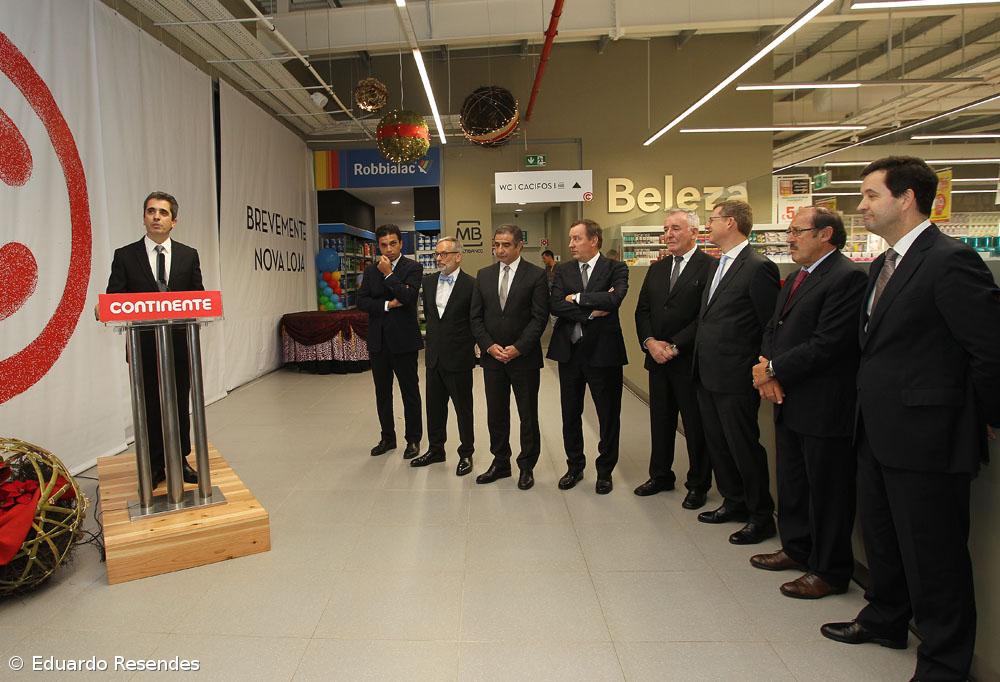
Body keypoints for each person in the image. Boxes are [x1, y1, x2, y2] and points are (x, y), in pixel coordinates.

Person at [820, 156, 1000, 682]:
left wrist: (989, 416)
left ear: (906, 199)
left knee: (934, 552)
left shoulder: (951, 260)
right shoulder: (882, 265)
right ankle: (886, 617)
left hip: (928, 437)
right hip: (876, 429)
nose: (861, 206)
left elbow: (987, 348)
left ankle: (944, 660)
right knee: (882, 536)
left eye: (871, 195)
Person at [750, 207, 867, 599]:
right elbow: (773, 326)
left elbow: (829, 343)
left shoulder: (847, 278)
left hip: (824, 403)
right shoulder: (797, 276)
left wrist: (773, 370)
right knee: (793, 480)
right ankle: (796, 548)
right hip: (789, 397)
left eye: (798, 231)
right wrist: (766, 365)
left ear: (826, 234)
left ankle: (829, 570)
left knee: (827, 490)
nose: (790, 237)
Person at [693, 199, 779, 544]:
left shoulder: (758, 267)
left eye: (712, 219)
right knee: (718, 443)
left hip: (736, 374)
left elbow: (769, 324)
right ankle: (734, 501)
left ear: (731, 223)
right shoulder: (720, 264)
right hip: (707, 371)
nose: (707, 225)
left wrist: (764, 368)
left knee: (743, 445)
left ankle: (761, 515)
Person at [106, 191, 203, 488]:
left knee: (178, 403)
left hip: (179, 345)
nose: (156, 217)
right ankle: (155, 464)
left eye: (163, 212)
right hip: (142, 347)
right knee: (149, 405)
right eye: (151, 211)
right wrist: (105, 307)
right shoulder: (125, 255)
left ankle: (181, 459)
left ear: (174, 221)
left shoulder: (189, 255)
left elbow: (199, 297)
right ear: (144, 217)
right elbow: (115, 297)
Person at [633, 209, 713, 508]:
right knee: (661, 420)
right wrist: (650, 342)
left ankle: (698, 483)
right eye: (666, 229)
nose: (669, 234)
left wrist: (675, 345)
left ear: (694, 232)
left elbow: (705, 316)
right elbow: (643, 310)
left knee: (694, 424)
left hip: (688, 360)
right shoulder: (657, 269)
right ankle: (660, 474)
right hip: (657, 359)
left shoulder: (710, 267)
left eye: (676, 228)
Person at [548, 219, 629, 494]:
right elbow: (556, 304)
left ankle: (605, 470)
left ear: (594, 240)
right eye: (571, 238)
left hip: (604, 353)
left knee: (607, 414)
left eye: (576, 238)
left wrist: (577, 298)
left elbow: (614, 300)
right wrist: (592, 309)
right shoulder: (563, 269)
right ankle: (575, 466)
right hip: (569, 353)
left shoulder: (615, 268)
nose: (570, 244)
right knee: (570, 413)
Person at [470, 225, 549, 490]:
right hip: (493, 359)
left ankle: (526, 466)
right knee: (496, 413)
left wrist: (518, 347)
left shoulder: (536, 276)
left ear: (519, 246)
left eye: (505, 245)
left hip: (523, 358)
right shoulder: (484, 275)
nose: (500, 250)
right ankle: (500, 462)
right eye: (497, 245)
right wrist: (489, 346)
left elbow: (540, 318)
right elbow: (476, 317)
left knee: (527, 414)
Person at [357, 224, 423, 459]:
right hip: (379, 342)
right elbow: (362, 301)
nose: (389, 248)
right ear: (378, 245)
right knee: (382, 393)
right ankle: (388, 437)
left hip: (404, 341)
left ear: (401, 243)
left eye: (393, 243)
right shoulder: (370, 270)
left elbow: (408, 297)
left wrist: (389, 274)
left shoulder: (413, 267)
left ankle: (413, 440)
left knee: (410, 392)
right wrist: (386, 304)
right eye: (384, 244)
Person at [411, 237, 476, 476]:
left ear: (458, 256)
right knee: (434, 408)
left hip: (459, 358)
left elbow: (474, 321)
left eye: (444, 254)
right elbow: (430, 317)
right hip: (434, 357)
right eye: (437, 254)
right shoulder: (427, 283)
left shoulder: (472, 285)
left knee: (463, 409)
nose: (439, 258)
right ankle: (436, 449)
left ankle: (466, 452)